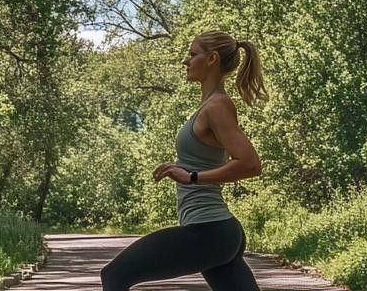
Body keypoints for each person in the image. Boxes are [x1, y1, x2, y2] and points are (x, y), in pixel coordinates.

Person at [99, 30, 267, 291]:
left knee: (114, 276)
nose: (186, 61)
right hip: (215, 232)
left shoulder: (217, 106)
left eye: (192, 54)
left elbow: (250, 163)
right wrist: (183, 169)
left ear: (211, 59)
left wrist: (192, 177)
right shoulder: (208, 106)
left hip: (208, 230)